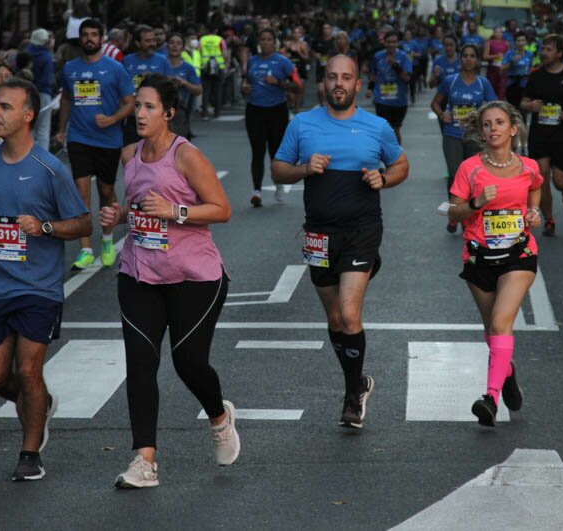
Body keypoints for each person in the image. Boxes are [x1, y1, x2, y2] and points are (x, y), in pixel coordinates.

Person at [98, 75, 238, 488]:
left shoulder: (186, 155)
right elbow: (141, 203)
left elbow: (222, 209)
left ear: (169, 113)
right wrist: (119, 216)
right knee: (140, 365)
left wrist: (175, 212)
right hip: (139, 273)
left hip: (194, 275)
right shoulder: (130, 155)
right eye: (137, 106)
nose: (139, 114)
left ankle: (218, 416)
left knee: (188, 362)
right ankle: (144, 461)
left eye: (149, 107)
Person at [0, 78, 90, 480]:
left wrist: (45, 228)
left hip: (40, 287)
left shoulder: (50, 169)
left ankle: (30, 454)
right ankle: (39, 404)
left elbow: (83, 221)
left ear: (28, 116)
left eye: (4, 107)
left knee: (29, 370)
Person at [271, 54, 409, 429]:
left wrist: (384, 178)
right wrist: (303, 168)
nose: (338, 84)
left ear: (357, 85)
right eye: (332, 77)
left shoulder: (376, 126)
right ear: (323, 83)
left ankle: (351, 397)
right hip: (318, 233)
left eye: (346, 77)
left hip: (363, 230)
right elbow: (278, 168)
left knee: (349, 314)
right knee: (334, 318)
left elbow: (401, 165)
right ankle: (359, 382)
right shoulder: (302, 124)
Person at [447, 101, 542, 425]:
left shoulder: (528, 166)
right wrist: (476, 203)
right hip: (479, 256)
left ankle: (490, 397)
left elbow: (537, 188)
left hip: (519, 254)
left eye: (500, 123)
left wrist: (535, 212)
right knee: (492, 329)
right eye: (487, 124)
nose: (493, 129)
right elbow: (454, 211)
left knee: (502, 322)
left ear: (513, 129)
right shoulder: (469, 169)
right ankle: (508, 371)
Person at [55, 18, 135, 270]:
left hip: (108, 139)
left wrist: (112, 119)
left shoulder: (115, 68)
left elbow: (130, 103)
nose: (89, 38)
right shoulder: (69, 69)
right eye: (85, 35)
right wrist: (61, 129)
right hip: (79, 137)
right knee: (81, 193)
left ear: (101, 39)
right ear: (80, 38)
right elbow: (67, 99)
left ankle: (108, 239)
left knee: (106, 192)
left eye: (93, 34)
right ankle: (86, 249)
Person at [519, 34, 563, 237]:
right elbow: (523, 101)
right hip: (540, 133)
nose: (544, 53)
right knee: (541, 177)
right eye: (543, 49)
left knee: (559, 180)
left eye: (549, 49)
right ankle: (549, 219)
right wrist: (530, 105)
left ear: (559, 53)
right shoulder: (535, 74)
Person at [432, 44, 496, 232]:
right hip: (452, 134)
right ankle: (454, 213)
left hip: (474, 137)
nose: (468, 59)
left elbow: (494, 107)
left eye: (472, 56)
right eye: (465, 56)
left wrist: (484, 122)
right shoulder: (450, 81)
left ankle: (467, 212)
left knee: (472, 177)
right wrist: (442, 114)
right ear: (461, 59)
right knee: (454, 173)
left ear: (477, 60)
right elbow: (435, 103)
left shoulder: (483, 83)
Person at [240, 28, 295, 208]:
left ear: (275, 42)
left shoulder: (283, 62)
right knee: (257, 151)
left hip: (277, 110)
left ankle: (279, 184)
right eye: (262, 39)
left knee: (275, 152)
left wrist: (278, 83)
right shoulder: (253, 61)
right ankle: (256, 191)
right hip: (255, 110)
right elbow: (246, 83)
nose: (265, 43)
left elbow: (298, 85)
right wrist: (244, 88)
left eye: (269, 39)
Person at [122, 26, 172, 145]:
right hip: (133, 118)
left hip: (156, 119)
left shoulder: (162, 60)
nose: (152, 44)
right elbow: (121, 88)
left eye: (153, 40)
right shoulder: (127, 61)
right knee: (131, 156)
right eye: (147, 41)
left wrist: (154, 79)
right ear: (137, 43)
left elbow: (171, 87)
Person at [367, 30, 412, 143]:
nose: (391, 44)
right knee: (385, 130)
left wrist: (395, 66)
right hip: (381, 100)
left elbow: (407, 78)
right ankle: (387, 155)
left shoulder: (404, 57)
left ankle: (397, 154)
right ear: (384, 43)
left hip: (399, 100)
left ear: (397, 43)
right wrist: (369, 88)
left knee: (395, 130)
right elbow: (373, 74)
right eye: (389, 42)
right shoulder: (378, 56)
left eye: (394, 42)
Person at [165, 32, 203, 138]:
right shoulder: (160, 63)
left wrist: (184, 83)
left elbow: (198, 90)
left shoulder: (188, 68)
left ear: (183, 47)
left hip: (180, 110)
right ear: (167, 45)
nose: (175, 46)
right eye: (171, 43)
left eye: (178, 43)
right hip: (160, 111)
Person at [27, 29, 56, 153]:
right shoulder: (46, 57)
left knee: (30, 126)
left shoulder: (27, 52)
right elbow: (48, 79)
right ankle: (43, 156)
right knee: (43, 127)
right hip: (44, 93)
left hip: (27, 93)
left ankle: (27, 153)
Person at [502, 31, 534, 108]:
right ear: (515, 42)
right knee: (513, 109)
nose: (521, 43)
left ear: (526, 42)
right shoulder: (509, 54)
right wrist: (512, 61)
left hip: (524, 84)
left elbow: (530, 68)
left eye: (523, 40)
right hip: (512, 84)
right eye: (518, 41)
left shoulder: (529, 54)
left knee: (524, 109)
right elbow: (502, 69)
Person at [483, 26, 510, 102]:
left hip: (502, 71)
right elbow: (485, 56)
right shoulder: (489, 43)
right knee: (491, 92)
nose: (498, 34)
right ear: (494, 33)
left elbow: (509, 56)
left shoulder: (506, 43)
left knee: (501, 92)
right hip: (492, 71)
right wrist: (496, 56)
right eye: (497, 32)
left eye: (500, 32)